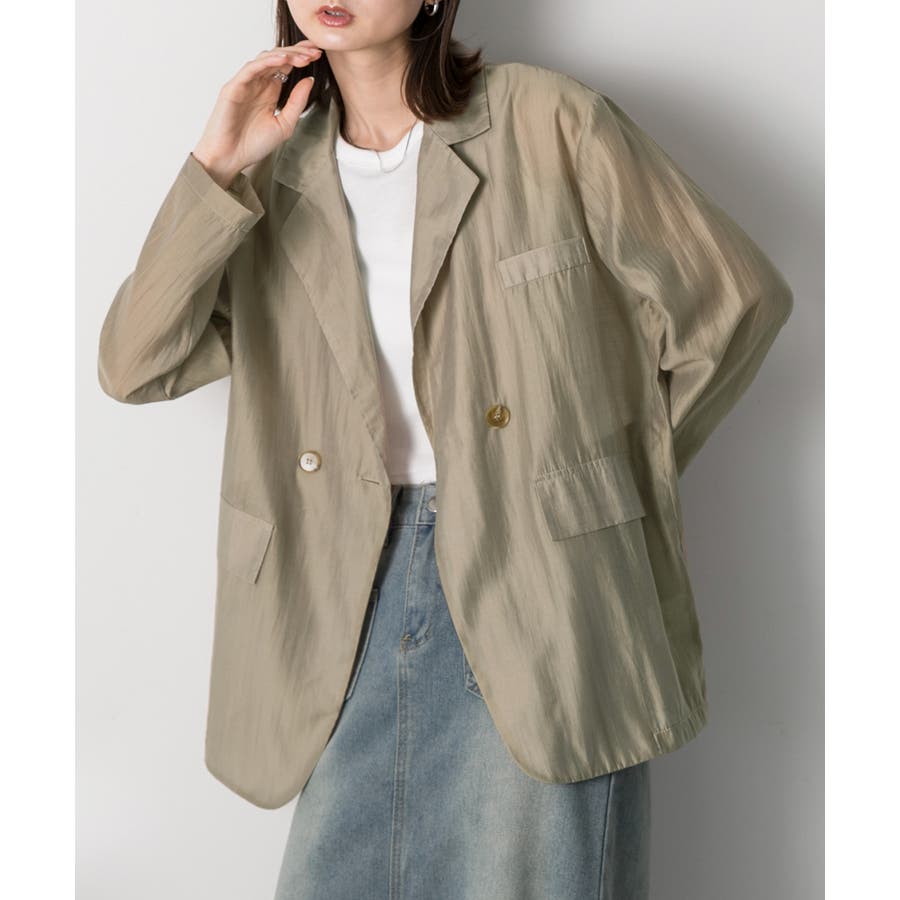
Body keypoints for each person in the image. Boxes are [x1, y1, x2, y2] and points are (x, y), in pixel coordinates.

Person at [97, 1, 793, 897]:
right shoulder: (268, 173)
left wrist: (600, 487)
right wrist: (217, 165)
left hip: (540, 583)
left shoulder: (547, 120)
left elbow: (733, 304)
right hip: (334, 585)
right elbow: (135, 365)